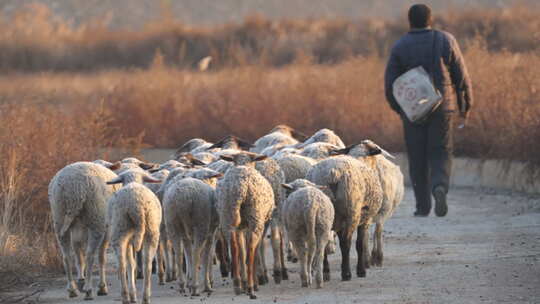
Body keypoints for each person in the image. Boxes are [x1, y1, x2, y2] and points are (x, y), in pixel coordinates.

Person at [384, 4, 473, 217]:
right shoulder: (446, 40)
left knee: (417, 157)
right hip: (443, 107)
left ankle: (422, 206)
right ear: (430, 19)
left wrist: (401, 109)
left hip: (413, 111)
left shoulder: (400, 46)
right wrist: (465, 105)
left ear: (410, 21)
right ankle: (439, 187)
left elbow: (390, 86)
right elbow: (461, 77)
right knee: (441, 151)